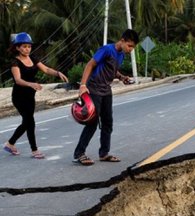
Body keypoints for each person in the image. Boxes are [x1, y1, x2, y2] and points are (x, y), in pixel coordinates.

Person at [73, 29, 139, 166]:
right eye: (130, 46)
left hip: (106, 90)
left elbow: (113, 70)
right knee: (92, 122)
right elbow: (90, 64)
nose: (131, 49)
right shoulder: (107, 50)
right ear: (122, 40)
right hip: (94, 88)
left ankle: (104, 153)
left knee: (108, 122)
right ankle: (79, 153)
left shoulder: (121, 54)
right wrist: (83, 85)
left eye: (133, 47)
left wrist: (122, 77)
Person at [3, 32, 69, 159]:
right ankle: (34, 150)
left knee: (27, 122)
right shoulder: (15, 62)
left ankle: (10, 143)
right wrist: (31, 84)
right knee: (30, 122)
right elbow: (18, 80)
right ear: (17, 47)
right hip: (19, 97)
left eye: (29, 46)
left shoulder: (32, 58)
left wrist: (57, 73)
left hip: (30, 96)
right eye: (24, 46)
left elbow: (46, 69)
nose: (27, 49)